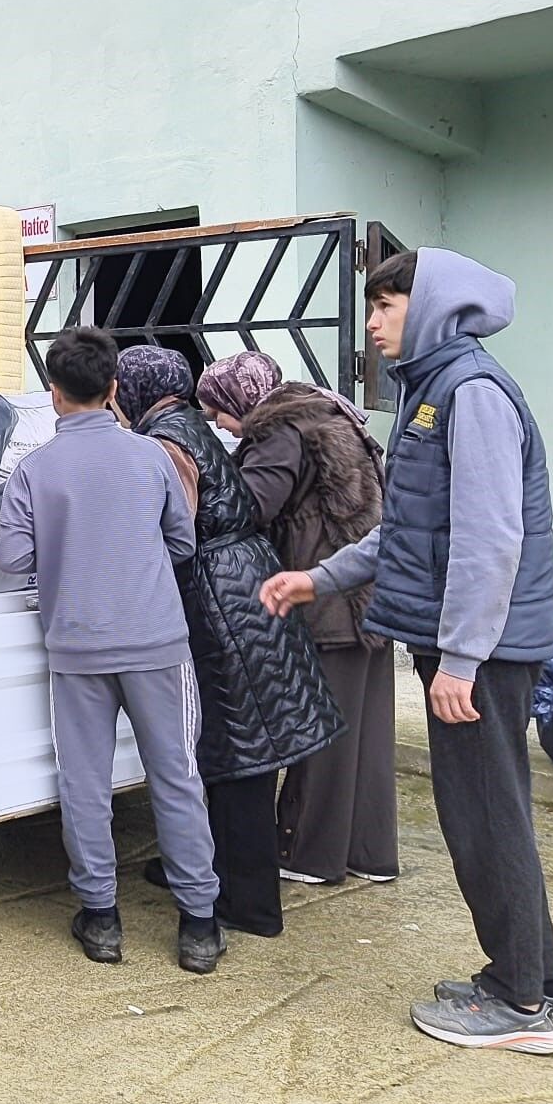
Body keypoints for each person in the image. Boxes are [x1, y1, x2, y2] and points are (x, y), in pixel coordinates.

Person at [263, 249, 553, 1054]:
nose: (371, 322)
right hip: (471, 640)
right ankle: (540, 982)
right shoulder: (432, 391)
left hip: (483, 647)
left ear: (432, 304)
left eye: (386, 304)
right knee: (492, 810)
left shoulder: (470, 394)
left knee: (483, 819)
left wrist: (462, 660)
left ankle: (518, 1008)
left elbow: (487, 539)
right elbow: (409, 534)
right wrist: (317, 579)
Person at [0, 327, 224, 974]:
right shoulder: (152, 457)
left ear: (54, 394)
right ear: (114, 388)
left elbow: (12, 558)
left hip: (76, 647)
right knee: (176, 776)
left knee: (84, 784)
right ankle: (198, 926)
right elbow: (182, 542)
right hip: (156, 642)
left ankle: (101, 919)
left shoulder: (34, 471)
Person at [116, 345, 343, 939]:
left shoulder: (165, 440)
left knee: (239, 756)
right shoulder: (184, 422)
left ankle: (249, 905)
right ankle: (208, 870)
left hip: (221, 602)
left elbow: (177, 525)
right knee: (230, 751)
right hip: (244, 584)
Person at [197, 351, 395, 889]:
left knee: (319, 732)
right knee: (368, 732)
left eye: (219, 412)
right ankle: (370, 853)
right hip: (371, 592)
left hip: (324, 594)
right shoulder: (328, 412)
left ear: (243, 402)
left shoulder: (279, 432)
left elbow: (250, 506)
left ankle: (308, 853)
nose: (219, 424)